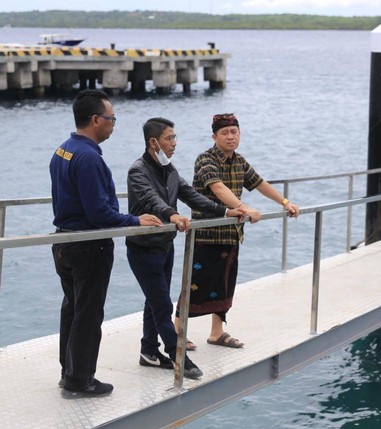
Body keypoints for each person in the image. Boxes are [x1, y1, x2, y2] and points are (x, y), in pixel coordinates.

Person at [50, 89, 162, 399]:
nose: (114, 124)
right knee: (88, 313)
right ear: (96, 119)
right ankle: (80, 380)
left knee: (72, 308)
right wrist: (135, 220)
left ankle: (68, 371)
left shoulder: (64, 150)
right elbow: (99, 213)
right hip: (89, 245)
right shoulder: (88, 158)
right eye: (111, 118)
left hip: (64, 241)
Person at [126, 117, 244, 379]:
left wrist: (226, 210)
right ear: (153, 142)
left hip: (165, 246)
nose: (174, 143)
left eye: (175, 138)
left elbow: (192, 196)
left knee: (154, 300)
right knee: (161, 304)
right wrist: (172, 215)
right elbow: (151, 200)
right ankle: (178, 355)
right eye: (170, 138)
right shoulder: (138, 171)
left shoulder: (169, 170)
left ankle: (148, 351)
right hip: (143, 249)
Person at [175, 113, 300, 349]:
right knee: (195, 283)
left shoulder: (240, 161)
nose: (230, 136)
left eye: (234, 132)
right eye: (225, 133)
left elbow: (259, 183)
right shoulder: (205, 159)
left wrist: (285, 203)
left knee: (224, 284)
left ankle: (217, 333)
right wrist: (243, 207)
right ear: (214, 136)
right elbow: (218, 188)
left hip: (231, 233)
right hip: (206, 234)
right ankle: (178, 331)